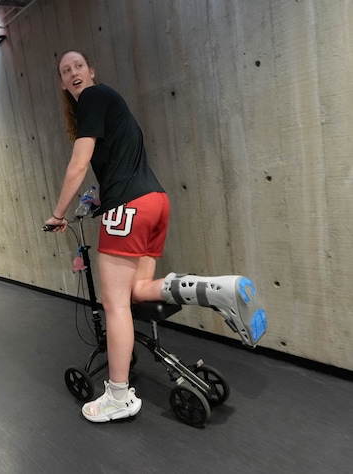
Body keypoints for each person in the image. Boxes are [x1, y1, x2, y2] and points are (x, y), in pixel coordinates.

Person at [44, 50, 267, 423]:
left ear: (90, 71)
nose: (73, 73)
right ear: (63, 81)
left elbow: (78, 164)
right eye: (66, 71)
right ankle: (215, 288)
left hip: (128, 207)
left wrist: (57, 215)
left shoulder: (94, 99)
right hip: (154, 202)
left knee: (114, 305)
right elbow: (115, 168)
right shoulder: (113, 106)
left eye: (78, 66)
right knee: (137, 291)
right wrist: (95, 199)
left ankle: (117, 396)